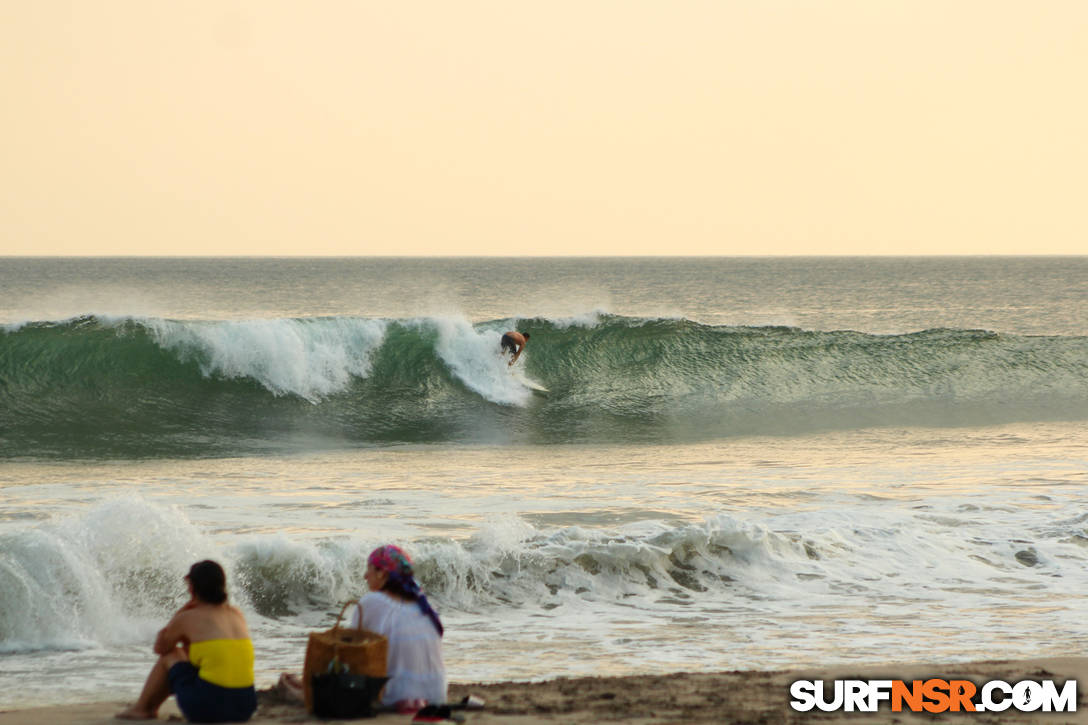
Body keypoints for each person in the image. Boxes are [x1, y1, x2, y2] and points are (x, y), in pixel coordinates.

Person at [117, 560, 257, 723]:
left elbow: (161, 647)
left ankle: (141, 709)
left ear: (192, 587)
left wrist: (181, 611)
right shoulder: (236, 613)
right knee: (199, 656)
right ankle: (148, 707)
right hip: (245, 707)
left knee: (172, 654)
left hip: (209, 709)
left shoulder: (187, 617)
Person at [350, 544, 447, 710]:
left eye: (369, 569)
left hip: (396, 697)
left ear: (382, 573)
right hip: (437, 695)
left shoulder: (371, 602)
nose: (365, 576)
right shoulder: (425, 605)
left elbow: (351, 652)